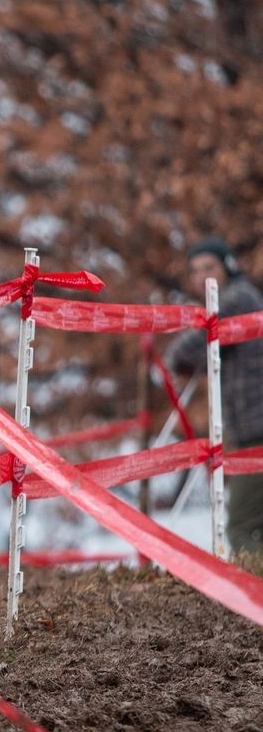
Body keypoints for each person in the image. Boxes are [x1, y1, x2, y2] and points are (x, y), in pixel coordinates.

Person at [165, 237, 263, 556]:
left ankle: (251, 598)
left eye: (210, 267)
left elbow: (187, 348)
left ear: (228, 267)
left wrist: (175, 362)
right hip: (250, 433)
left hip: (256, 435)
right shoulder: (240, 298)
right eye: (196, 271)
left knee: (242, 527)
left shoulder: (237, 299)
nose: (203, 276)